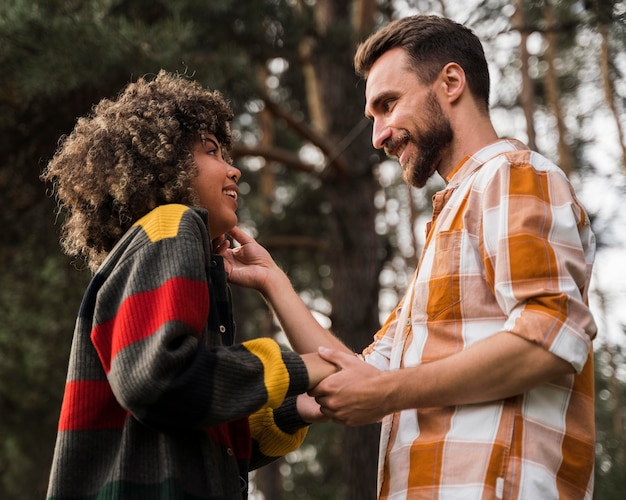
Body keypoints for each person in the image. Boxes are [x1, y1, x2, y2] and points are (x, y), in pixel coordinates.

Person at [219, 15, 597, 500]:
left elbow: (551, 337)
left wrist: (390, 393)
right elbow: (360, 375)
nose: (378, 136)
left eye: (388, 105)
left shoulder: (512, 176)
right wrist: (271, 279)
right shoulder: (452, 220)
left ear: (451, 82)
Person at [41, 70, 335, 500]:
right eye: (212, 150)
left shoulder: (171, 258)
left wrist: (291, 410)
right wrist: (296, 368)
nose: (234, 169)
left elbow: (190, 414)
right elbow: (159, 380)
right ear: (160, 165)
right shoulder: (171, 224)